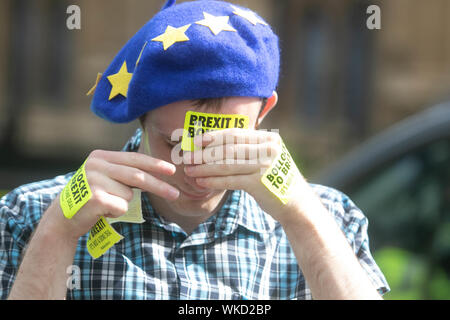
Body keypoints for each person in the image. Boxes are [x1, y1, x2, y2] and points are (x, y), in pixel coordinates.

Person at [1, 0, 389, 299]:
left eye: (224, 144)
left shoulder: (331, 219)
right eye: (174, 143)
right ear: (141, 115)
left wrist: (303, 219)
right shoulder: (30, 214)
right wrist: (57, 233)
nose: (195, 167)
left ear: (264, 111)